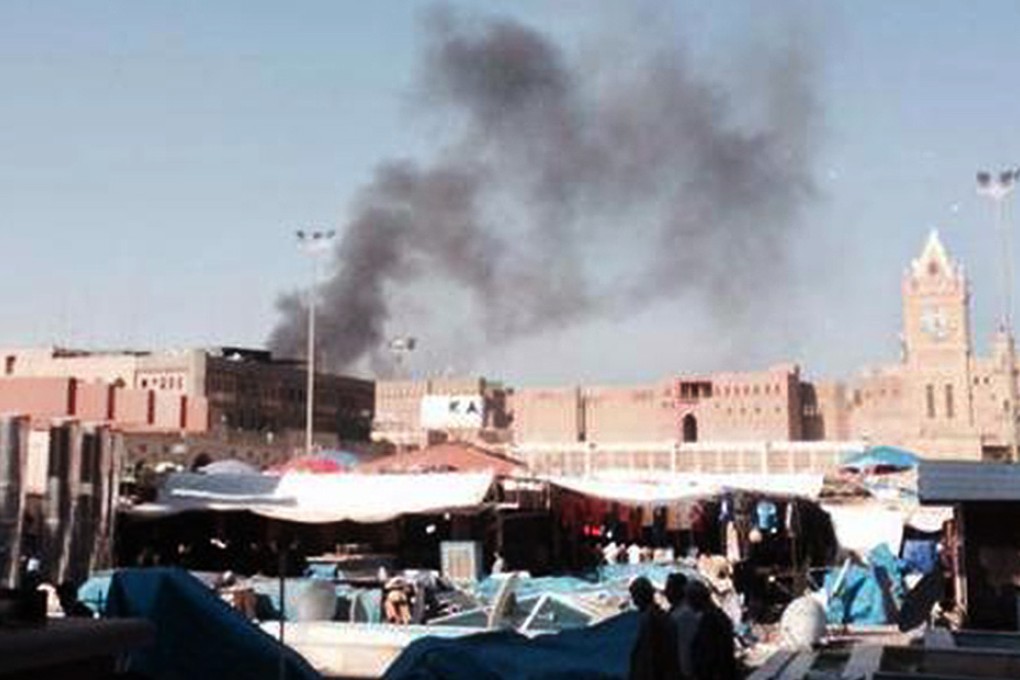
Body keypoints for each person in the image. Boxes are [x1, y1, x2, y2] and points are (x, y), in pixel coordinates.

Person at [628, 576, 679, 680]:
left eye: (634, 596)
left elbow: (649, 655)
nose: (633, 601)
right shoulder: (661, 615)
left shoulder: (651, 619)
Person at [686, 580, 737, 680]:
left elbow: (710, 653)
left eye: (690, 599)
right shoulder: (717, 615)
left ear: (697, 599)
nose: (689, 604)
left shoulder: (709, 619)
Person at [666, 573, 699, 680]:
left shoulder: (683, 614)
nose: (666, 592)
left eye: (669, 588)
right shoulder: (677, 612)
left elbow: (684, 648)